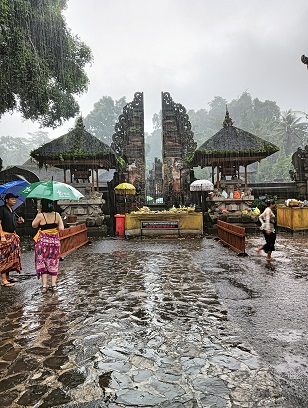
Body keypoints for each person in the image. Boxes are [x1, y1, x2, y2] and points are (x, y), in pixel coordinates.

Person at [32, 198, 64, 293]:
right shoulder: (57, 215)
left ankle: (44, 286)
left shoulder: (40, 215)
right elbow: (61, 228)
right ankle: (53, 285)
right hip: (54, 242)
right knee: (54, 262)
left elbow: (33, 225)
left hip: (43, 243)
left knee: (43, 263)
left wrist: (39, 215)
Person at [0, 193, 24, 287]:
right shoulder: (2, 209)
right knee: (4, 257)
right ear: (6, 200)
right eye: (12, 199)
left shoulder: (12, 210)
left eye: (15, 199)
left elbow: (12, 223)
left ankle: (8, 277)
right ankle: (3, 280)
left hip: (12, 235)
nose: (14, 201)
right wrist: (2, 236)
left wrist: (19, 221)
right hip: (5, 236)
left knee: (11, 257)